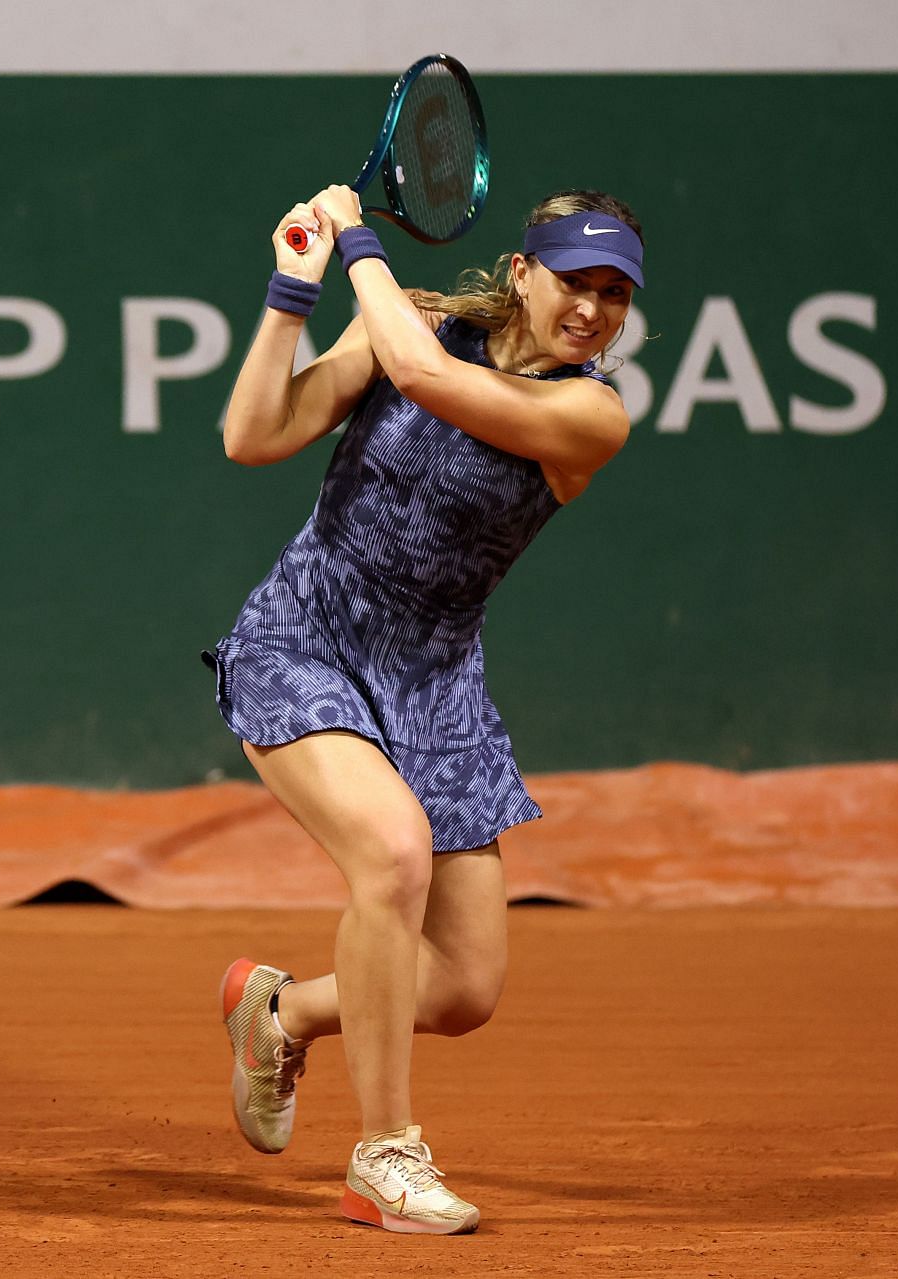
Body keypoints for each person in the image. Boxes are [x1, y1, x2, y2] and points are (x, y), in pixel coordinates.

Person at [204, 186, 644, 1235]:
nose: (591, 308)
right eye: (574, 281)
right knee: (392, 855)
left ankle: (283, 1009)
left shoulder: (592, 414)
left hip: (437, 680)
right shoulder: (416, 319)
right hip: (304, 635)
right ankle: (384, 1157)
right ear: (523, 272)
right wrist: (292, 292)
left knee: (461, 990)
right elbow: (252, 436)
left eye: (614, 293)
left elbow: (421, 375)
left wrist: (359, 241)